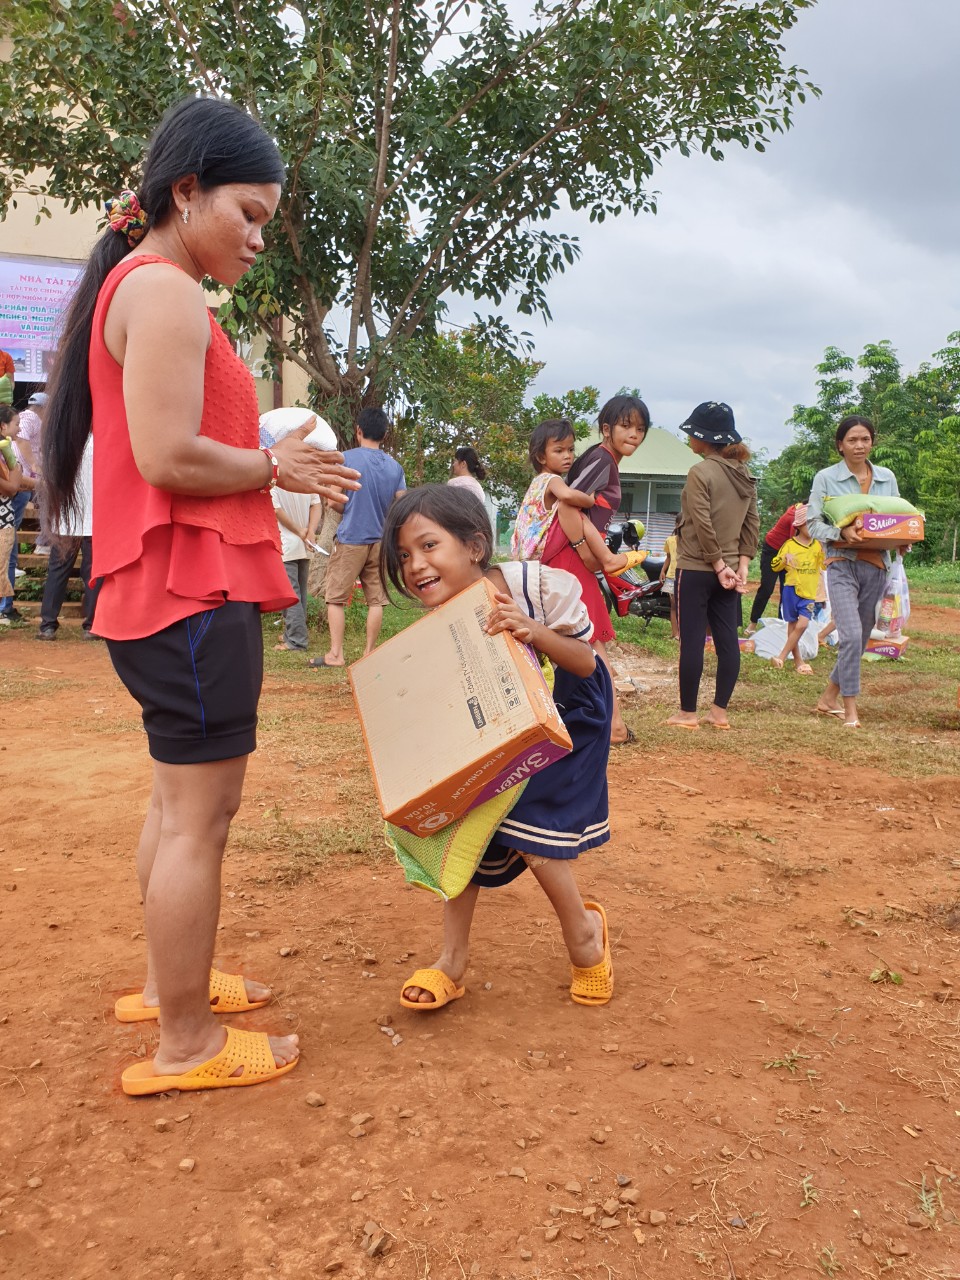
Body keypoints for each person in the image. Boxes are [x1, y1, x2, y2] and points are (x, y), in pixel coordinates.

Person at [41, 96, 360, 1096]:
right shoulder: (167, 292)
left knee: (174, 802)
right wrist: (274, 466)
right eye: (248, 213)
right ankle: (185, 1041)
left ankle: (166, 986)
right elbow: (168, 455)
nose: (259, 238)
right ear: (186, 191)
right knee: (198, 817)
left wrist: (267, 462)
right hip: (190, 587)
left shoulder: (147, 285)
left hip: (170, 588)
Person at [381, 485, 614, 1011]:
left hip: (568, 715)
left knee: (528, 823)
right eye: (404, 555)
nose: (415, 565)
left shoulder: (537, 585)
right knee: (462, 820)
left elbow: (585, 662)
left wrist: (533, 631)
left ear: (475, 547)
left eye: (428, 545)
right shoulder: (444, 615)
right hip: (499, 721)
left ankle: (584, 937)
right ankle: (451, 960)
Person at [539, 396, 649, 745]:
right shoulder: (602, 459)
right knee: (589, 639)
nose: (634, 434)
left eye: (640, 429)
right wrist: (586, 551)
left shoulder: (604, 460)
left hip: (571, 556)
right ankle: (611, 726)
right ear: (606, 429)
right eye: (626, 426)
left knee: (577, 639)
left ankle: (593, 721)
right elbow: (568, 505)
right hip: (570, 558)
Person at [666, 401, 759, 731]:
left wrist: (717, 564)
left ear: (704, 438)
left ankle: (687, 713)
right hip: (731, 572)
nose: (689, 438)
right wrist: (741, 564)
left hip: (697, 567)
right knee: (727, 640)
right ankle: (719, 712)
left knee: (692, 640)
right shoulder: (744, 474)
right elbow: (752, 523)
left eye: (692, 433)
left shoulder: (700, 472)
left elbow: (702, 522)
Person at [806, 415, 901, 728]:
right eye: (852, 440)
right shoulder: (826, 478)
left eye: (865, 439)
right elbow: (813, 524)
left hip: (877, 567)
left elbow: (895, 520)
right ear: (840, 445)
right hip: (841, 563)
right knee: (850, 636)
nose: (859, 445)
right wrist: (841, 533)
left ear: (872, 442)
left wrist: (904, 540)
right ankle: (850, 710)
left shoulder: (886, 478)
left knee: (859, 639)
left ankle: (827, 698)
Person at [309, 406, 405, 669]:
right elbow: (401, 504)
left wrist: (349, 507)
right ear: (384, 434)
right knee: (376, 600)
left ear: (358, 431)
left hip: (352, 537)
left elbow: (333, 500)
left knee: (335, 597)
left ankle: (336, 655)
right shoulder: (395, 467)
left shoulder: (346, 459)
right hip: (380, 541)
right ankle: (369, 654)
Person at [511, 418, 647, 577]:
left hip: (526, 551)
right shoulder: (551, 479)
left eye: (570, 450)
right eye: (559, 451)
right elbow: (568, 495)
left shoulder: (537, 481)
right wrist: (589, 500)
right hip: (540, 545)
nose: (567, 456)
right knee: (573, 510)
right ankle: (608, 558)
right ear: (541, 457)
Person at [36, 438, 101, 640]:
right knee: (93, 573)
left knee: (57, 572)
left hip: (65, 520)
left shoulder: (60, 442)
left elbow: (49, 482)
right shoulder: (98, 443)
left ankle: (47, 625)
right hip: (93, 519)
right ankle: (92, 626)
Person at [268, 417, 323, 652]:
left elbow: (276, 510)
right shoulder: (304, 473)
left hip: (287, 544)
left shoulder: (275, 475)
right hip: (304, 544)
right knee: (299, 593)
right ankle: (293, 633)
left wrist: (301, 531)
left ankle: (297, 640)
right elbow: (316, 504)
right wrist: (310, 530)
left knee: (291, 594)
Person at [769, 503, 824, 674]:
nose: (813, 528)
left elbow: (825, 565)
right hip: (791, 590)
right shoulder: (789, 545)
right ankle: (798, 661)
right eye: (809, 524)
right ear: (799, 525)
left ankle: (781, 656)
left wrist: (828, 553)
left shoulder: (817, 546)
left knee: (802, 625)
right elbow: (774, 566)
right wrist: (784, 558)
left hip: (809, 594)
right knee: (792, 625)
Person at [0, 406, 34, 620]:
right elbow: (12, 486)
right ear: (3, 426)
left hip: (6, 515)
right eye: (16, 424)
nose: (19, 429)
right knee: (5, 562)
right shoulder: (4, 450)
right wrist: (17, 470)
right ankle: (4, 608)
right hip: (3, 517)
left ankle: (6, 607)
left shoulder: (6, 449)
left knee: (8, 559)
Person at [745, 503, 797, 634]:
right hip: (773, 550)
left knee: (786, 589)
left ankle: (782, 626)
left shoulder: (804, 512)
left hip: (788, 553)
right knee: (767, 588)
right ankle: (753, 623)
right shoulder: (796, 516)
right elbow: (795, 543)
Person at [659, 520, 680, 640]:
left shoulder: (690, 540)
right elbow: (668, 557)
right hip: (672, 576)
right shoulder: (670, 540)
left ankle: (683, 633)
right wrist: (663, 571)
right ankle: (675, 633)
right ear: (677, 524)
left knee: (684, 606)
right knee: (673, 606)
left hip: (685, 576)